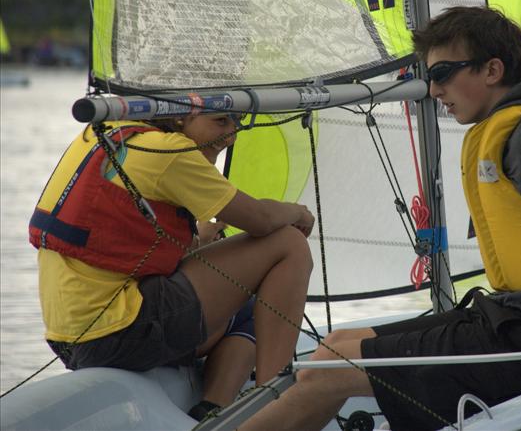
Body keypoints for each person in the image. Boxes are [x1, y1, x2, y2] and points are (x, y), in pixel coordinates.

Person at [239, 6, 521, 431]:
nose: (434, 90)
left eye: (442, 74)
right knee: (333, 349)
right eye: (428, 78)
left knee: (332, 367)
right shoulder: (510, 128)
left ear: (492, 70)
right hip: (517, 318)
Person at [30, 112, 315, 420]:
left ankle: (209, 411)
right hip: (118, 332)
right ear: (180, 117)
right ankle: (277, 411)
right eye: (221, 121)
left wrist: (196, 241)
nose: (232, 135)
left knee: (249, 309)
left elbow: (119, 241)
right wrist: (298, 213)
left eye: (237, 122)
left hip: (72, 339)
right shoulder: (169, 152)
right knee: (288, 244)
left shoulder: (108, 133)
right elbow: (261, 220)